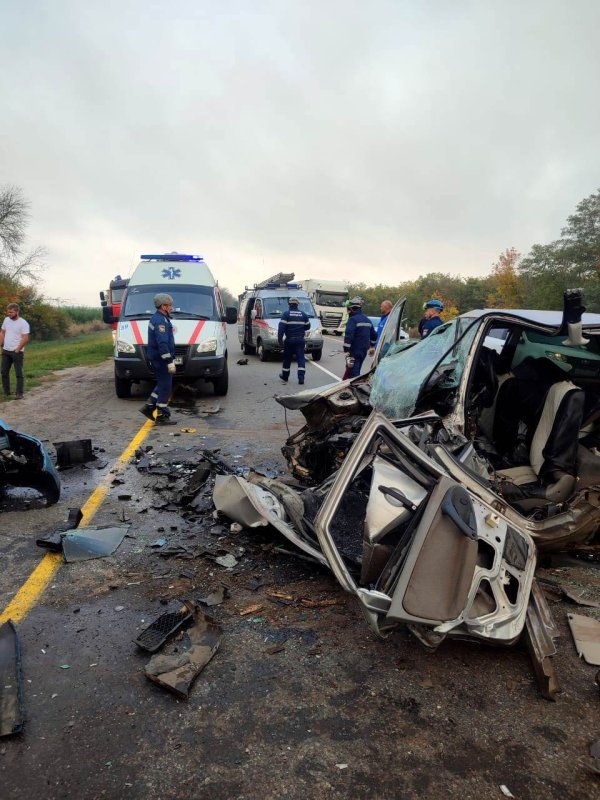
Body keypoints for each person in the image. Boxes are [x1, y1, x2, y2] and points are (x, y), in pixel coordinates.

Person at [139, 293, 178, 424]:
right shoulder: (161, 321)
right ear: (163, 306)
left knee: (162, 384)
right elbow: (162, 343)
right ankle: (162, 416)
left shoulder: (159, 318)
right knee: (165, 387)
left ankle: (149, 407)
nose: (172, 307)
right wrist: (168, 361)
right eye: (170, 305)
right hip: (161, 359)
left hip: (157, 358)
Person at [0, 303, 30, 399]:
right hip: (6, 350)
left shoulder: (23, 323)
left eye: (11, 312)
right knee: (4, 372)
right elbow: (2, 332)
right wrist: (1, 346)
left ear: (17, 311)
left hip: (17, 352)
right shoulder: (6, 320)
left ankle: (19, 393)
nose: (9, 314)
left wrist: (17, 349)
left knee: (18, 373)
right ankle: (6, 392)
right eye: (8, 312)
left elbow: (25, 338)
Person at [278, 297, 310, 384]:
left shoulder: (286, 314)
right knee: (300, 359)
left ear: (289, 304)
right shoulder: (303, 314)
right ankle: (301, 378)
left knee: (287, 359)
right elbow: (308, 326)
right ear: (297, 304)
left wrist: (280, 340)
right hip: (300, 340)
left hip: (289, 341)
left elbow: (281, 328)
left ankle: (285, 376)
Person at [343, 297, 377, 379]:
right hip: (363, 351)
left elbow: (348, 335)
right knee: (355, 368)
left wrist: (346, 350)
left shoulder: (353, 320)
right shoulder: (367, 320)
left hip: (354, 351)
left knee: (354, 373)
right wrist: (372, 345)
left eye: (349, 309)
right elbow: (374, 335)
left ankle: (355, 388)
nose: (348, 311)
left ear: (352, 309)